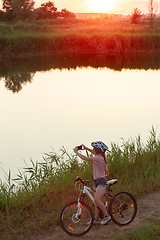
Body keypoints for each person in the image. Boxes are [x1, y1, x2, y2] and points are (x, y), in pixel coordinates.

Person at [73, 141, 111, 225]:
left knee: (97, 200)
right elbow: (94, 152)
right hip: (96, 182)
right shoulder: (100, 156)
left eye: (95, 148)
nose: (93, 150)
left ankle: (107, 216)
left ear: (98, 150)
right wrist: (86, 148)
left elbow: (85, 158)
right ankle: (96, 219)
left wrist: (76, 152)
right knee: (96, 202)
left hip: (101, 181)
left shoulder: (99, 158)